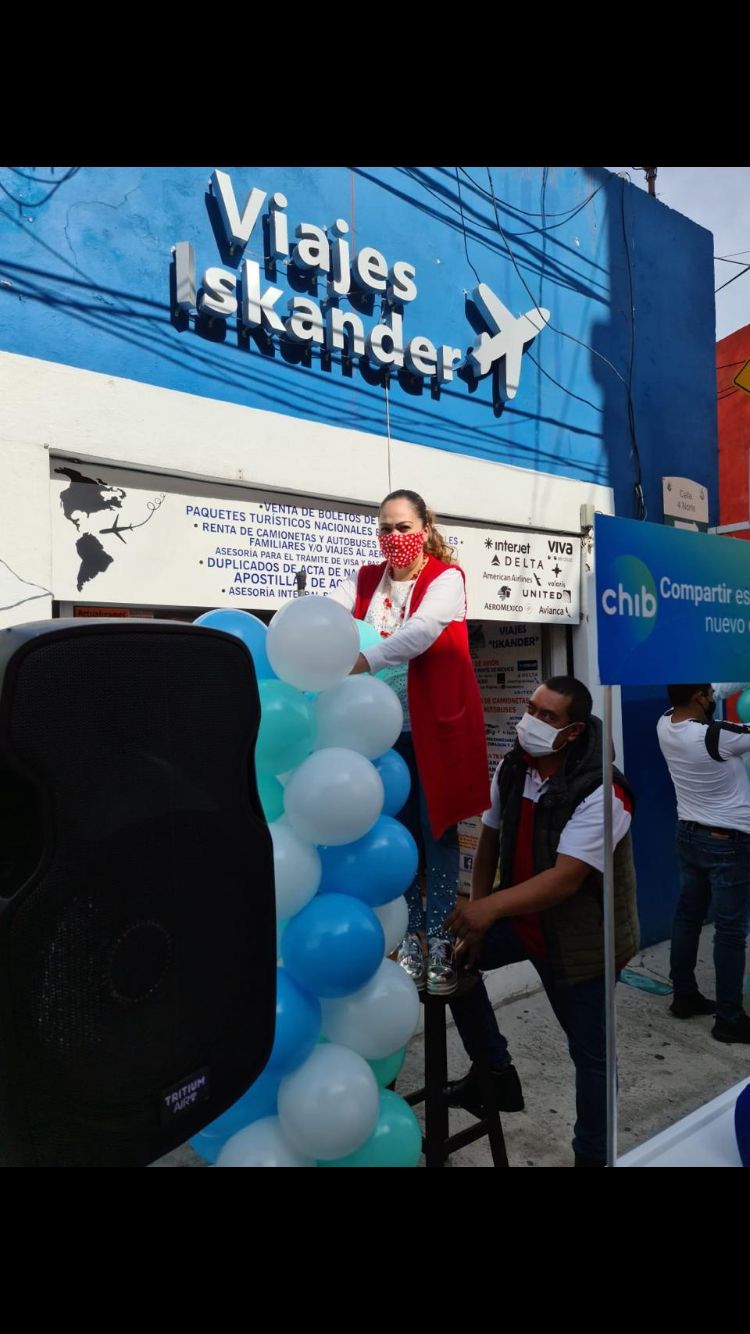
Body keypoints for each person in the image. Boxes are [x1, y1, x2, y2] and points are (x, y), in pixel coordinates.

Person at [444, 676, 639, 1168]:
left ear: (573, 732)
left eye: (547, 716)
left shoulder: (605, 791)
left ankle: (592, 1156)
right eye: (532, 708)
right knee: (452, 962)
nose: (530, 721)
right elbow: (490, 839)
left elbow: (564, 879)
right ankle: (494, 1072)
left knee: (592, 1057)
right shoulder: (515, 768)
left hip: (582, 942)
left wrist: (489, 909)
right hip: (524, 923)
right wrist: (479, 913)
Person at [329, 488, 489, 995]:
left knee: (435, 828)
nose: (393, 537)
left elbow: (420, 633)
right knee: (394, 833)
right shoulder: (363, 581)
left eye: (403, 527)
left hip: (433, 727)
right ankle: (410, 933)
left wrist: (363, 661)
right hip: (377, 731)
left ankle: (439, 933)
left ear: (425, 528)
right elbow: (328, 616)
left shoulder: (446, 578)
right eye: (385, 528)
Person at [656, 684, 750, 1043]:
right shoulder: (717, 736)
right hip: (728, 843)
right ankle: (729, 1019)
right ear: (699, 697)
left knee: (688, 917)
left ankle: (684, 996)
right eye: (710, 694)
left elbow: (708, 691)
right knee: (730, 931)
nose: (714, 697)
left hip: (689, 834)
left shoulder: (665, 722)